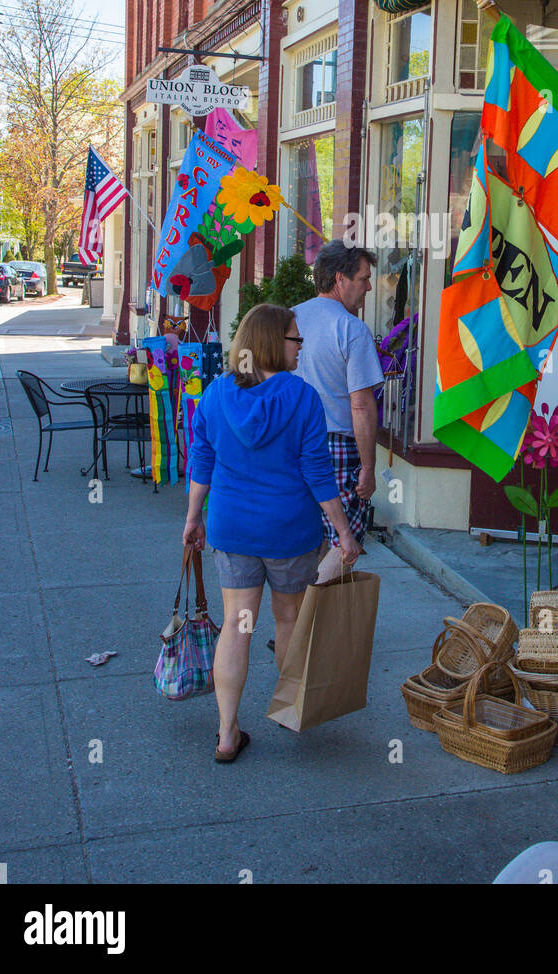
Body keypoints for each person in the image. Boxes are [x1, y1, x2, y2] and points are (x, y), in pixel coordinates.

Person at [182, 303, 359, 762]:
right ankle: (292, 711)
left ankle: (226, 732)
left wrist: (193, 518)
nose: (302, 347)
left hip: (233, 529)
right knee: (286, 621)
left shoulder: (216, 395)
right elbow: (318, 473)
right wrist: (344, 532)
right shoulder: (301, 398)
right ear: (271, 343)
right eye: (295, 339)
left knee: (238, 626)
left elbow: (201, 461)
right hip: (287, 533)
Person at [293, 241, 383, 582]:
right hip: (337, 447)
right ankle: (309, 629)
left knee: (306, 537)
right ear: (340, 279)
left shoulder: (289, 318)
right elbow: (360, 404)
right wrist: (369, 467)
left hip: (292, 441)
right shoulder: (351, 329)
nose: (369, 287)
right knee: (344, 541)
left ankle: (296, 629)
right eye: (363, 278)